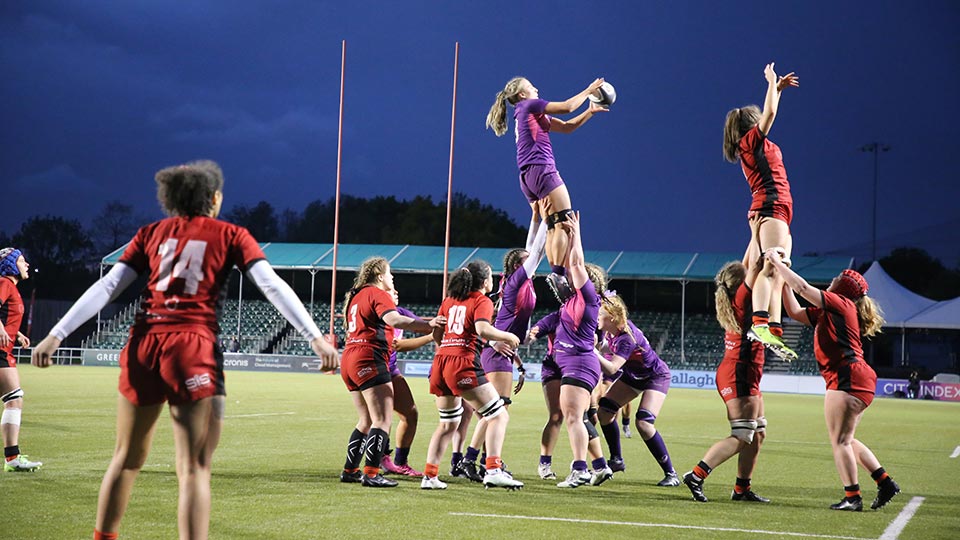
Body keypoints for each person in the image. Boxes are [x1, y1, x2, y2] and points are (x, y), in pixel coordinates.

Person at [30, 160, 340, 540]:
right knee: (194, 467)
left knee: (126, 458)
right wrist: (315, 337)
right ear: (214, 198)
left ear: (171, 200)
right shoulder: (231, 234)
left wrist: (56, 333)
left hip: (143, 343)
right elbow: (271, 285)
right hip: (193, 346)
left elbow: (109, 287)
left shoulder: (150, 233)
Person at [766, 252, 901, 511]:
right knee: (847, 439)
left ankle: (853, 498)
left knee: (839, 442)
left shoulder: (840, 303)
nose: (832, 280)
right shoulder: (832, 309)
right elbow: (794, 311)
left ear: (842, 287)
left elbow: (803, 287)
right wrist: (782, 281)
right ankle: (885, 482)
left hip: (847, 376)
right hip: (857, 377)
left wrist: (777, 263)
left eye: (836, 278)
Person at [486, 76, 607, 302]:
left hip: (528, 176)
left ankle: (558, 274)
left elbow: (568, 127)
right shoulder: (530, 105)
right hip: (541, 170)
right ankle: (558, 275)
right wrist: (589, 89)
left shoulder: (528, 115)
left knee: (554, 225)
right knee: (563, 221)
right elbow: (567, 107)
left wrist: (590, 111)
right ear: (522, 94)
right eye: (531, 86)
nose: (536, 88)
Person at [338, 257, 441, 488]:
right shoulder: (378, 293)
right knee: (382, 419)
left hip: (349, 358)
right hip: (369, 357)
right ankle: (372, 473)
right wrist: (429, 325)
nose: (392, 277)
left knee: (366, 419)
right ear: (380, 276)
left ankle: (350, 470)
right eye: (390, 273)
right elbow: (394, 319)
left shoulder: (356, 295)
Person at [420, 261, 523, 490]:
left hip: (441, 363)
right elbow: (482, 329)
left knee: (448, 423)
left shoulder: (449, 301)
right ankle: (494, 470)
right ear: (485, 282)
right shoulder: (481, 300)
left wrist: (448, 346)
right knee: (498, 415)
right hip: (462, 363)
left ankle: (430, 476)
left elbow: (436, 334)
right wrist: (508, 336)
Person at [457, 216, 547, 480]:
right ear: (520, 265)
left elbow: (532, 247)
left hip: (502, 353)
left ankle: (485, 460)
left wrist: (534, 216)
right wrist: (549, 216)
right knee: (496, 410)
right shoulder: (518, 281)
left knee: (497, 410)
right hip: (496, 353)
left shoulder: (520, 281)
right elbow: (538, 248)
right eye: (527, 260)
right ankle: (474, 460)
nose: (533, 260)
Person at [723, 62, 799, 361]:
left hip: (776, 207)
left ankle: (774, 330)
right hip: (770, 207)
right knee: (772, 265)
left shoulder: (753, 146)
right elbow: (769, 115)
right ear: (750, 126)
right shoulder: (749, 143)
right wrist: (770, 83)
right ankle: (760, 323)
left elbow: (768, 114)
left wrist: (778, 91)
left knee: (779, 269)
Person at [682, 259, 770, 503]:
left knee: (758, 433)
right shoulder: (743, 298)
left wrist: (754, 235)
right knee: (743, 434)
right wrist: (757, 231)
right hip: (739, 373)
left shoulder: (737, 295)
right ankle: (697, 475)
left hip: (744, 371)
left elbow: (750, 264)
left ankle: (742, 489)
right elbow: (755, 266)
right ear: (742, 284)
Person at [550, 212, 613, 488]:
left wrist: (576, 233)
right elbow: (567, 263)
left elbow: (575, 262)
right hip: (580, 364)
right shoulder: (577, 299)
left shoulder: (588, 298)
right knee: (580, 417)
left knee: (574, 418)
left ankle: (579, 470)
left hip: (578, 363)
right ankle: (598, 466)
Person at [595, 294, 679, 487]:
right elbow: (611, 347)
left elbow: (613, 368)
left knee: (643, 422)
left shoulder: (627, 337)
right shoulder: (613, 331)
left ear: (612, 317)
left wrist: (592, 352)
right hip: (634, 376)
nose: (597, 317)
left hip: (655, 376)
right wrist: (600, 347)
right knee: (605, 411)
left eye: (600, 314)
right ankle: (616, 460)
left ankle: (671, 474)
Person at [528, 311, 610, 486]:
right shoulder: (556, 317)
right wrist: (531, 334)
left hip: (580, 366)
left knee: (585, 417)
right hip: (555, 368)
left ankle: (597, 465)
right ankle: (545, 463)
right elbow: (536, 330)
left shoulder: (591, 317)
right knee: (557, 416)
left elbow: (598, 345)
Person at [379, 287, 434, 477]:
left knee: (410, 414)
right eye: (391, 291)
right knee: (377, 418)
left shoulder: (400, 312)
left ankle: (399, 462)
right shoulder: (381, 314)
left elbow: (422, 324)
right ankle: (378, 460)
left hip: (390, 370)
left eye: (396, 291)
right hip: (375, 369)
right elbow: (397, 345)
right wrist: (430, 336)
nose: (396, 292)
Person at [0, 248, 41, 473]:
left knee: (13, 399)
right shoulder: (5, 283)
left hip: (5, 350)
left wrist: (16, 333)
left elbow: (6, 315)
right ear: (11, 265)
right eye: (22, 261)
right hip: (0, 352)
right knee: (14, 399)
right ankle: (12, 458)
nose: (26, 265)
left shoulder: (11, 288)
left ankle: (12, 457)